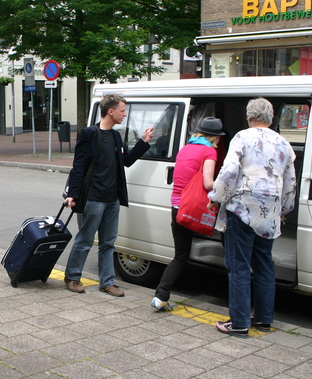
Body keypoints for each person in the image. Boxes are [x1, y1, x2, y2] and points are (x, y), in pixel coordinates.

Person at [208, 98, 296, 337]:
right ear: (271, 118)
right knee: (264, 265)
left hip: (242, 209)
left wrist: (216, 196)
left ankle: (238, 323)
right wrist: (284, 210)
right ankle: (264, 319)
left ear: (249, 117)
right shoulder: (284, 143)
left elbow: (229, 172)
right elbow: (290, 183)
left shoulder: (242, 137)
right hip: (270, 213)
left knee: (239, 266)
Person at [63, 93, 154, 297]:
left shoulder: (115, 135)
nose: (125, 114)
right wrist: (73, 194)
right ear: (110, 111)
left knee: (108, 243)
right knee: (85, 240)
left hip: (112, 199)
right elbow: (79, 167)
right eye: (122, 110)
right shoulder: (89, 134)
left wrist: (144, 141)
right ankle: (72, 276)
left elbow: (126, 161)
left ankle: (107, 282)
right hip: (94, 198)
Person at [151, 117, 224, 311]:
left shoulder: (184, 148)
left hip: (178, 207)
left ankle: (160, 296)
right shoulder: (209, 151)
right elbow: (208, 184)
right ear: (215, 137)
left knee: (180, 256)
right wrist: (226, 184)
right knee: (227, 236)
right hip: (194, 207)